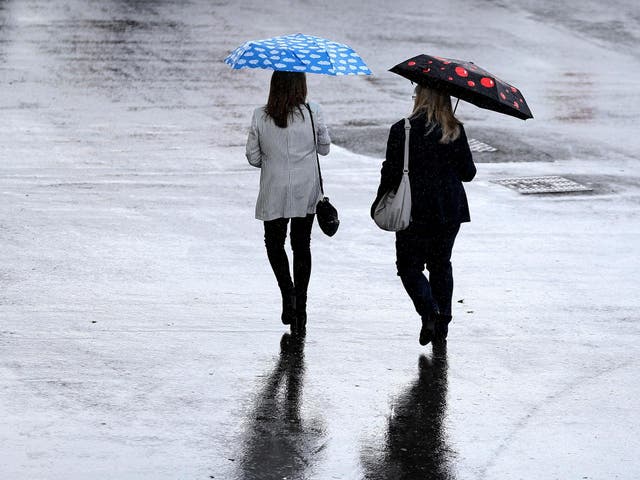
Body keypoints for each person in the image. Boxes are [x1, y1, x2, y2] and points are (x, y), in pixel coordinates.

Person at [372, 84, 476, 346]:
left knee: (409, 266)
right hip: (449, 208)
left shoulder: (402, 130)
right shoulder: (454, 129)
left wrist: (379, 200)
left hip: (414, 208)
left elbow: (391, 171)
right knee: (441, 263)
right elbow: (468, 173)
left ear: (419, 97)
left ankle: (428, 311)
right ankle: (443, 320)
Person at [246, 71, 331, 331]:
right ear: (301, 85)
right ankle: (301, 307)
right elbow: (324, 148)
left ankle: (288, 293)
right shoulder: (312, 111)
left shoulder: (261, 115)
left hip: (274, 188)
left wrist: (273, 162)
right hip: (306, 188)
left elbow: (253, 157)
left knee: (274, 244)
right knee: (301, 244)